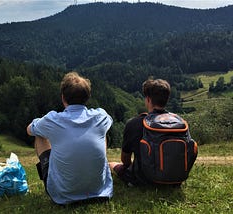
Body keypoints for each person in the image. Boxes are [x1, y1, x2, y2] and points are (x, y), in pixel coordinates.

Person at [26, 72, 113, 205]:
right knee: (102, 131)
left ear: (63, 98)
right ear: (88, 97)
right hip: (99, 191)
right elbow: (109, 121)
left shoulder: (53, 119)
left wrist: (42, 122)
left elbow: (29, 130)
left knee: (39, 135)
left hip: (62, 194)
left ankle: (49, 170)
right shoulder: (101, 116)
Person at [109, 78, 191, 186]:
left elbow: (125, 160)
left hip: (143, 180)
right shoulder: (180, 123)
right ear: (167, 98)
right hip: (176, 179)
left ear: (148, 99)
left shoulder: (133, 123)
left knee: (111, 164)